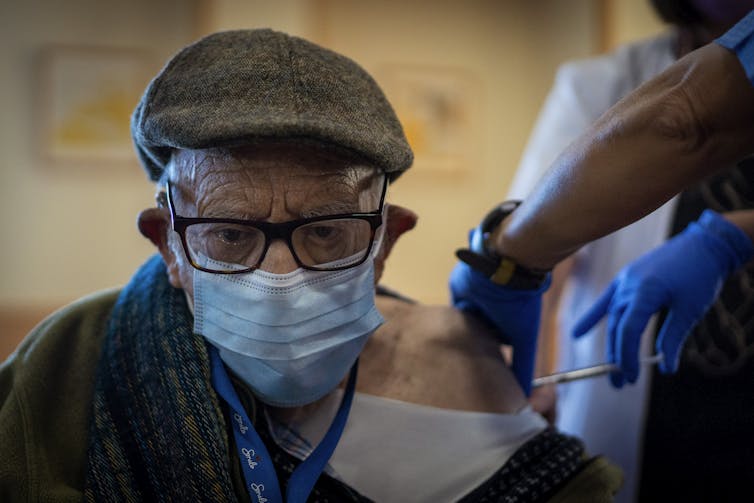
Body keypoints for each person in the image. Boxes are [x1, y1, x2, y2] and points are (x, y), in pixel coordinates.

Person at [0, 29, 623, 502]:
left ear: (385, 242)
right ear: (168, 245)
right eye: (229, 233)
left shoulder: (464, 387)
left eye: (325, 231)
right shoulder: (72, 358)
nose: (279, 278)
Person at [451, 5, 754, 502]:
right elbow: (551, 230)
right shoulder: (604, 81)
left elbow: (685, 119)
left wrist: (732, 236)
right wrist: (513, 270)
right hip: (653, 414)